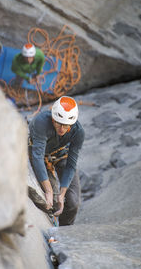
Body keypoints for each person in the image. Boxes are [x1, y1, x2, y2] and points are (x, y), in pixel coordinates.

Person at [28, 96, 85, 226]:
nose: (62, 129)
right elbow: (37, 156)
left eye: (66, 126)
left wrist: (63, 193)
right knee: (52, 201)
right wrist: (49, 191)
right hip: (40, 155)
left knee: (72, 202)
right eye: (58, 124)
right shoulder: (41, 122)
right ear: (53, 118)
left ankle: (65, 233)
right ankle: (52, 224)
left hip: (61, 155)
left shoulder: (78, 132)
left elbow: (71, 164)